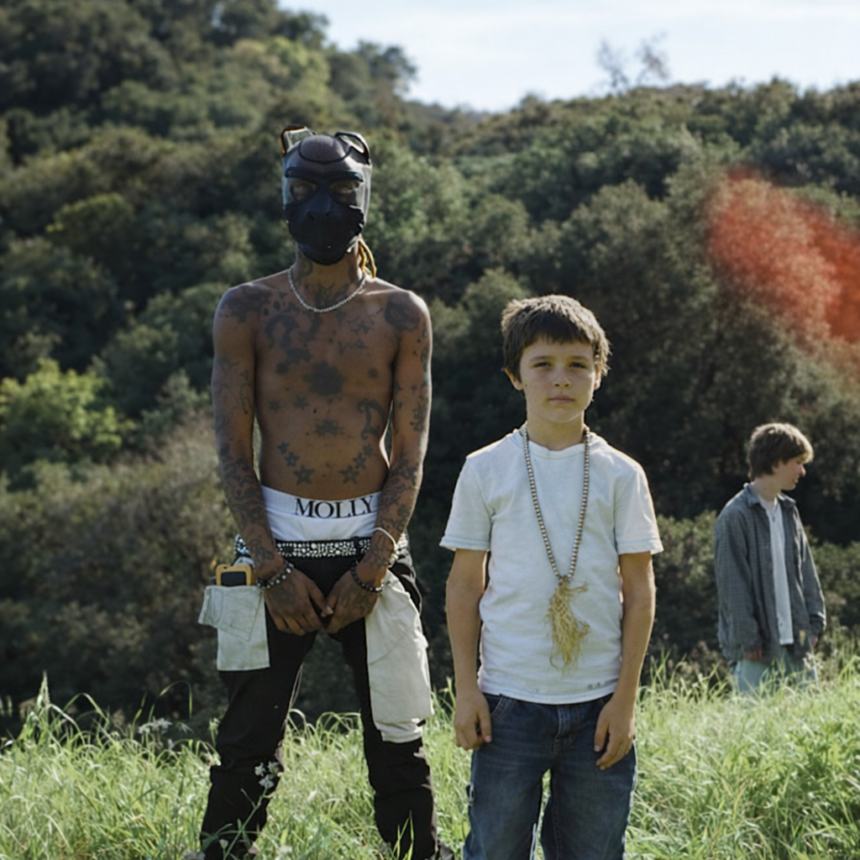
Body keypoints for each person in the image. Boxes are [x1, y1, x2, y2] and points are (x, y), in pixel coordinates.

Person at [198, 126, 451, 860]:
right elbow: (232, 449)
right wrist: (272, 570)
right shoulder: (245, 309)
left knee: (399, 736)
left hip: (370, 545)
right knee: (245, 741)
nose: (321, 210)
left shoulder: (402, 314)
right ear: (283, 196)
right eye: (305, 192)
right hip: (269, 548)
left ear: (364, 201)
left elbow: (412, 451)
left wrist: (373, 569)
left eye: (340, 194)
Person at [442, 294, 662, 860]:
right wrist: (466, 690)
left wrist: (625, 701)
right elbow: (465, 587)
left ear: (597, 374)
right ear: (515, 376)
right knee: (494, 849)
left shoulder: (622, 475)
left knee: (592, 851)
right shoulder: (485, 468)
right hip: (508, 703)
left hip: (598, 704)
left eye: (577, 365)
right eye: (543, 365)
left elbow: (639, 593)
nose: (560, 380)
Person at [713, 422, 825, 694]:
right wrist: (749, 639)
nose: (802, 471)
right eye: (797, 462)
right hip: (758, 651)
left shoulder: (789, 511)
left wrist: (814, 624)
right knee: (757, 731)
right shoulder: (734, 516)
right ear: (776, 462)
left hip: (798, 644)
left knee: (809, 724)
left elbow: (806, 572)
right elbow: (733, 585)